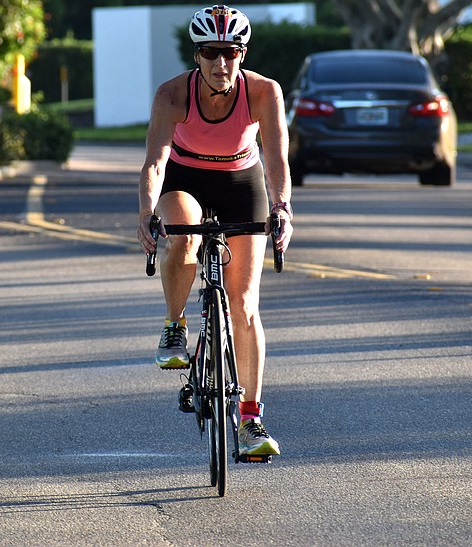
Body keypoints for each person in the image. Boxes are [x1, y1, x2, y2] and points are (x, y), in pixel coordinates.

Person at [136, 5, 293, 456]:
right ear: (196, 55)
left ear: (242, 53)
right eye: (210, 53)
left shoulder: (264, 91)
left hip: (241, 180)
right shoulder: (172, 94)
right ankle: (173, 325)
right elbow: (155, 163)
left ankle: (251, 421)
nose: (220, 64)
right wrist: (147, 210)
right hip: (185, 178)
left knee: (244, 305)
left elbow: (277, 160)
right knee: (182, 235)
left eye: (229, 53)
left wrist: (283, 208)